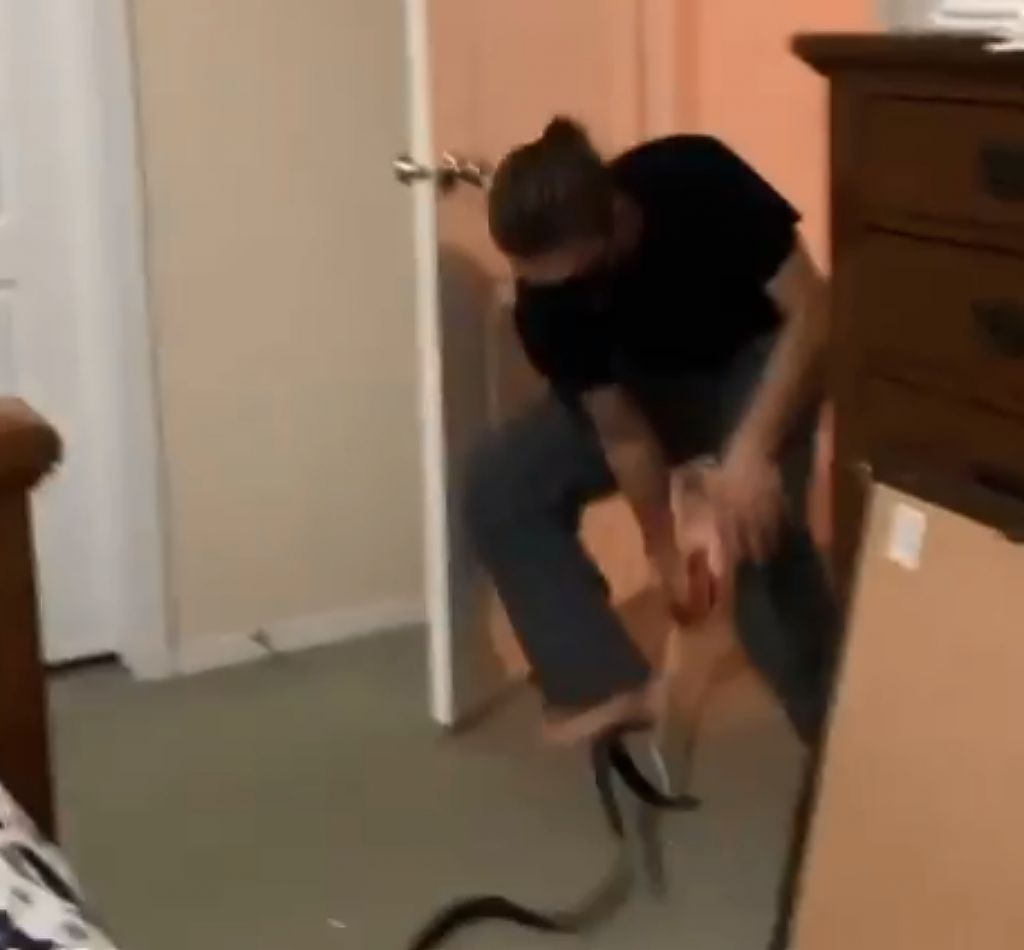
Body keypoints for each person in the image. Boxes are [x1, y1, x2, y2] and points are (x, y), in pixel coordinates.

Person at [463, 117, 840, 950]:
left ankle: (847, 760)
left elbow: (814, 311)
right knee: (502, 485)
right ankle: (606, 682)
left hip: (758, 363)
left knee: (761, 552)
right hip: (651, 387)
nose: (542, 294)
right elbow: (625, 435)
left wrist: (749, 454)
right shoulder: (548, 301)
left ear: (610, 226)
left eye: (562, 274)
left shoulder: (695, 178)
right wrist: (665, 552)